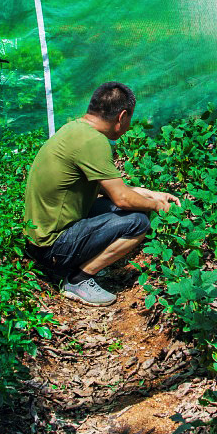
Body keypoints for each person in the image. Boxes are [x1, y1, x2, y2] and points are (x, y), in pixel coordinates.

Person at [23, 82, 180, 306]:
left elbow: (114, 189)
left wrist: (152, 194)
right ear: (122, 116)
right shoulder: (93, 142)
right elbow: (122, 198)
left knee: (124, 207)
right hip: (52, 247)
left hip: (39, 238)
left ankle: (77, 266)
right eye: (130, 119)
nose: (129, 126)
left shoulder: (75, 130)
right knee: (137, 222)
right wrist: (157, 206)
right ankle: (79, 279)